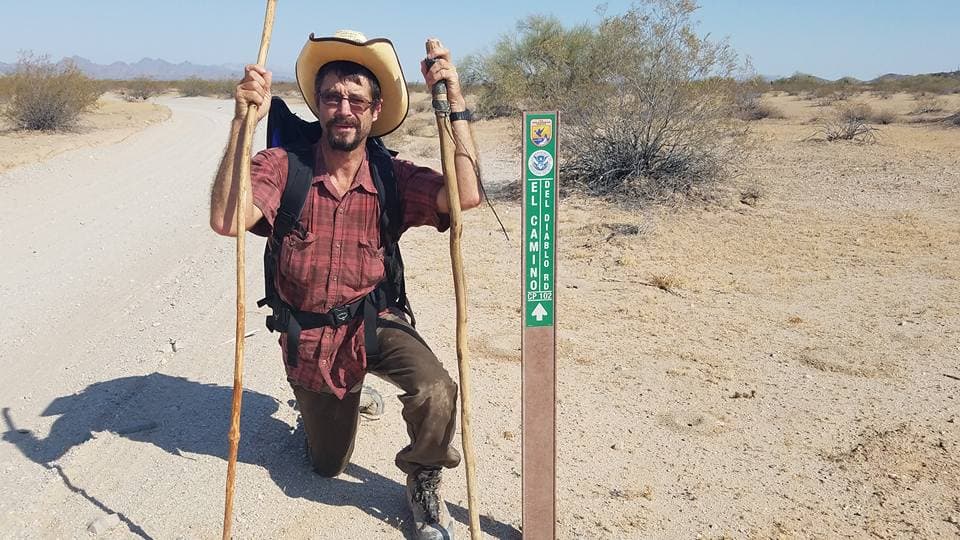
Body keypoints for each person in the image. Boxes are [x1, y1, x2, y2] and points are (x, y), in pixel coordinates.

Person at [208, 30, 480, 540]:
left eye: (357, 100)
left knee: (437, 390)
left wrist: (454, 103)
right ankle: (339, 401)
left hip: (374, 320)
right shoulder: (284, 167)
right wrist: (242, 124)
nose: (344, 109)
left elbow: (464, 195)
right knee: (327, 465)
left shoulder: (391, 177)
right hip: (311, 338)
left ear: (375, 110)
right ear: (319, 106)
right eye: (332, 97)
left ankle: (423, 476)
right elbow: (227, 219)